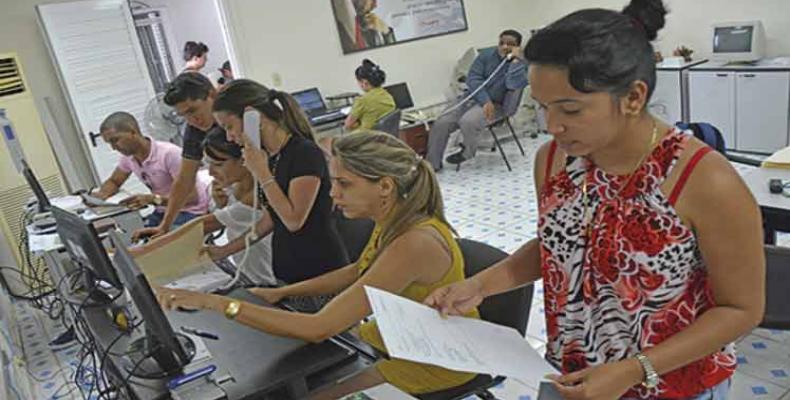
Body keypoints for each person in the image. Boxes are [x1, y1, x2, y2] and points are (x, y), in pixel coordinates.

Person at [425, 1, 765, 399]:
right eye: (542, 107)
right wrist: (481, 285)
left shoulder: (703, 180)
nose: (552, 126)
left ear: (633, 97)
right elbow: (560, 247)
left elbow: (740, 309)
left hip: (669, 383)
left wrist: (633, 370)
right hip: (571, 372)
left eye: (570, 109)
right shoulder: (553, 160)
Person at [155, 131, 480, 398]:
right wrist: (282, 294)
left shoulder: (414, 241)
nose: (333, 193)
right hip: (396, 337)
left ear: (384, 186)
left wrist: (217, 303)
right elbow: (358, 271)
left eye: (344, 184)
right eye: (333, 181)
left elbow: (319, 328)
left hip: (431, 359)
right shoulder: (393, 218)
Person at [210, 79, 348, 284]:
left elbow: (293, 220)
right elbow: (270, 219)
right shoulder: (270, 157)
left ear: (252, 116)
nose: (230, 137)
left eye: (230, 126)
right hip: (287, 272)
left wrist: (262, 173)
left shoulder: (304, 153)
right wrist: (223, 250)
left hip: (319, 272)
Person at [135, 131, 275, 286]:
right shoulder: (232, 187)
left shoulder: (259, 194)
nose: (210, 172)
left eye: (218, 164)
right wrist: (221, 203)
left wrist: (138, 253)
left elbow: (205, 224)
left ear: (245, 159)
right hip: (248, 271)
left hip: (267, 279)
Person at [133, 73, 226, 241]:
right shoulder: (194, 130)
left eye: (193, 110)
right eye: (184, 115)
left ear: (212, 94)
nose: (192, 120)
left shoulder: (238, 116)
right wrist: (165, 226)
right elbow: (184, 180)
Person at [426, 29, 528, 170]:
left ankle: (468, 152)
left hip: (497, 105)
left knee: (468, 121)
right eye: (501, 43)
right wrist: (485, 100)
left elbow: (513, 84)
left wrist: (516, 62)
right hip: (473, 98)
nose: (504, 47)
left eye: (510, 44)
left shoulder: (522, 64)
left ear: (517, 47)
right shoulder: (486, 56)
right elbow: (473, 79)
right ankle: (432, 164)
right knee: (441, 122)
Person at [93, 111, 209, 227]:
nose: (113, 148)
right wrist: (101, 195)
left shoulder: (169, 154)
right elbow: (114, 181)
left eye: (115, 140)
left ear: (133, 131)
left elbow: (192, 197)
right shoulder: (128, 158)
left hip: (190, 210)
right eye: (110, 143)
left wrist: (153, 200)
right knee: (135, 237)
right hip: (164, 210)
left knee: (157, 242)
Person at [344, 59, 396, 132]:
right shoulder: (387, 95)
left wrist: (357, 124)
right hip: (384, 138)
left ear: (364, 82)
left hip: (367, 138)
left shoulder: (362, 100)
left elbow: (348, 124)